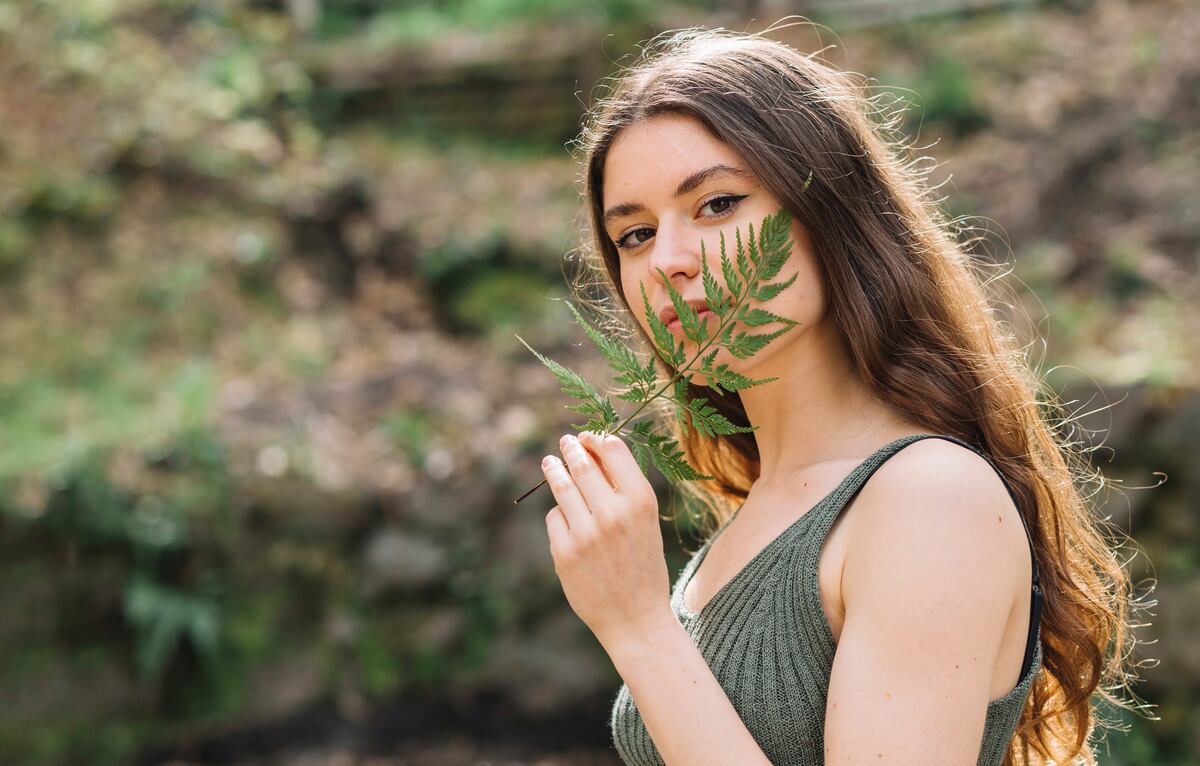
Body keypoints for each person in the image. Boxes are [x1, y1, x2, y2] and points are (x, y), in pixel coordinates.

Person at [536, 24, 1144, 765]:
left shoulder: (931, 499)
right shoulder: (751, 513)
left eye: (717, 204)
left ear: (834, 213)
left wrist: (640, 630)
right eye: (632, 235)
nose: (667, 261)